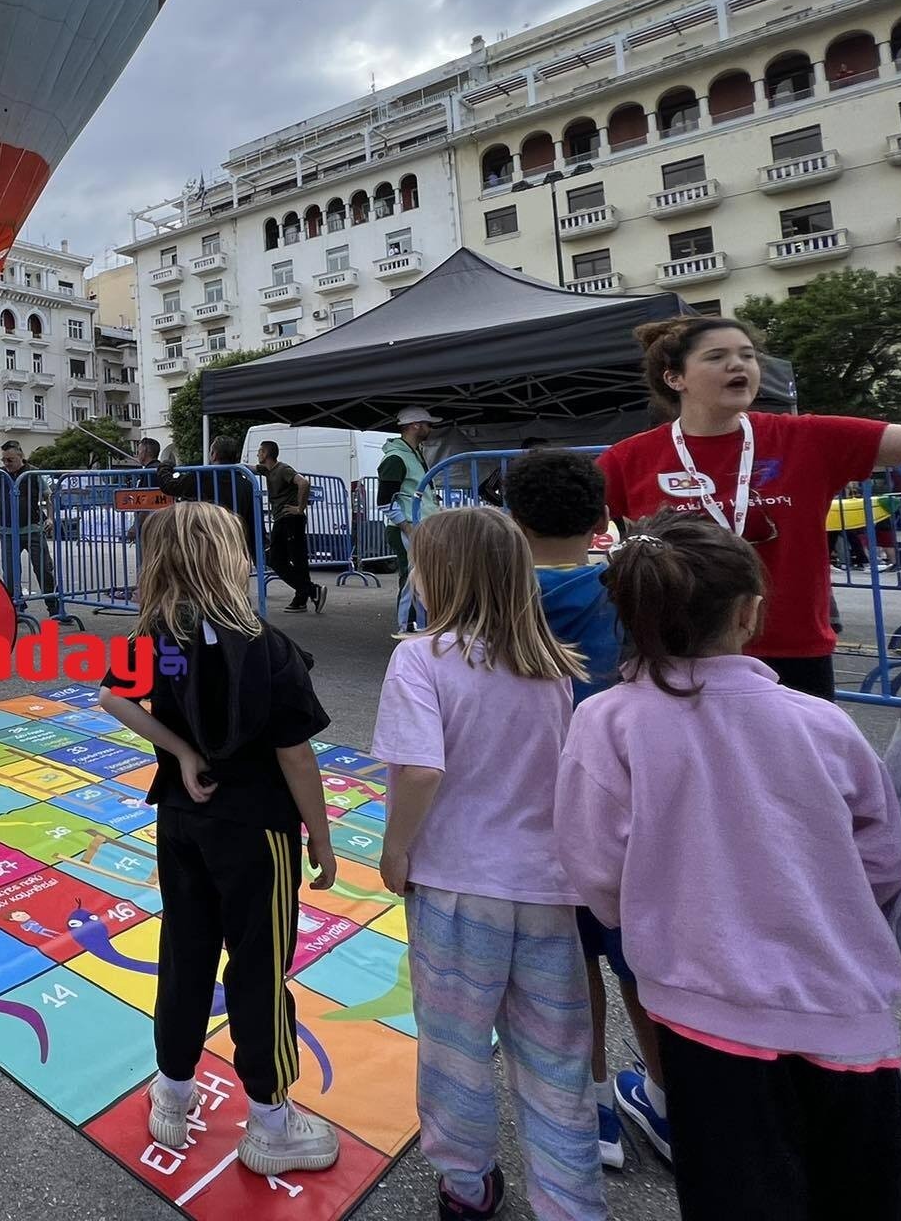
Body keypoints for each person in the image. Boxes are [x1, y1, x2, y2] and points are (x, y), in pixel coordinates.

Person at [555, 512, 901, 1219]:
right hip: (845, 1014)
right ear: (750, 612)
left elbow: (594, 865)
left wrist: (645, 911)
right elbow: (882, 858)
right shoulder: (825, 724)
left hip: (701, 1012)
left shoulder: (608, 723)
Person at [372, 505, 604, 1221]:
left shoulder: (420, 658)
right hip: (543, 886)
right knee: (557, 1057)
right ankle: (571, 1201)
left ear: (439, 575)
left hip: (454, 886)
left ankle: (465, 1187)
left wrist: (397, 847)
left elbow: (419, 771)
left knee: (455, 1049)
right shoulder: (553, 668)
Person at [96, 501, 342, 1177]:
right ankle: (269, 1121)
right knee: (259, 970)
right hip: (256, 831)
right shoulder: (268, 646)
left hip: (180, 819)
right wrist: (320, 838)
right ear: (225, 558)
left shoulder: (155, 636)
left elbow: (112, 699)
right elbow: (296, 756)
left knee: (186, 954)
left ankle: (172, 1091)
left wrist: (179, 751)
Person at [597, 315, 901, 702]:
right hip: (679, 650)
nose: (738, 365)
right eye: (717, 356)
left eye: (747, 355)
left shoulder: (807, 437)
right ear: (675, 378)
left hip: (792, 649)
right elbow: (566, 531)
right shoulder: (630, 458)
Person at [503, 448, 650, 1170]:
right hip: (630, 807)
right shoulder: (632, 592)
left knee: (572, 965)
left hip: (539, 814)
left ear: (510, 519)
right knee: (641, 964)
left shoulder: (490, 599)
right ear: (601, 517)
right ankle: (666, 1094)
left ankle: (592, 1109)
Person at [375, 407, 441, 626]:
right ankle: (409, 629)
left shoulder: (412, 453)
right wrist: (407, 527)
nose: (430, 428)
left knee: (419, 579)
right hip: (408, 528)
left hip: (417, 526)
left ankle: (417, 626)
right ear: (415, 425)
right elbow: (384, 501)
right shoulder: (396, 457)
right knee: (412, 581)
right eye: (428, 424)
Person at [254, 440, 325, 615]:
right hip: (282, 520)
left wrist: (299, 509)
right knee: (293, 559)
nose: (257, 454)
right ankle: (304, 596)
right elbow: (251, 468)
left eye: (260, 451)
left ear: (266, 453)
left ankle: (310, 591)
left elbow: (304, 483)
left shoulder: (283, 469)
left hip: (290, 519)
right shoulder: (267, 470)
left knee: (278, 559)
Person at [0, 441, 61, 619]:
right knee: (9, 572)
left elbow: (48, 496)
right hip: (8, 530)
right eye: (4, 459)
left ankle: (53, 606)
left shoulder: (33, 472)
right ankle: (17, 605)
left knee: (44, 569)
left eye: (10, 459)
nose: (7, 463)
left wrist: (50, 518)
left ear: (20, 457)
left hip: (32, 528)